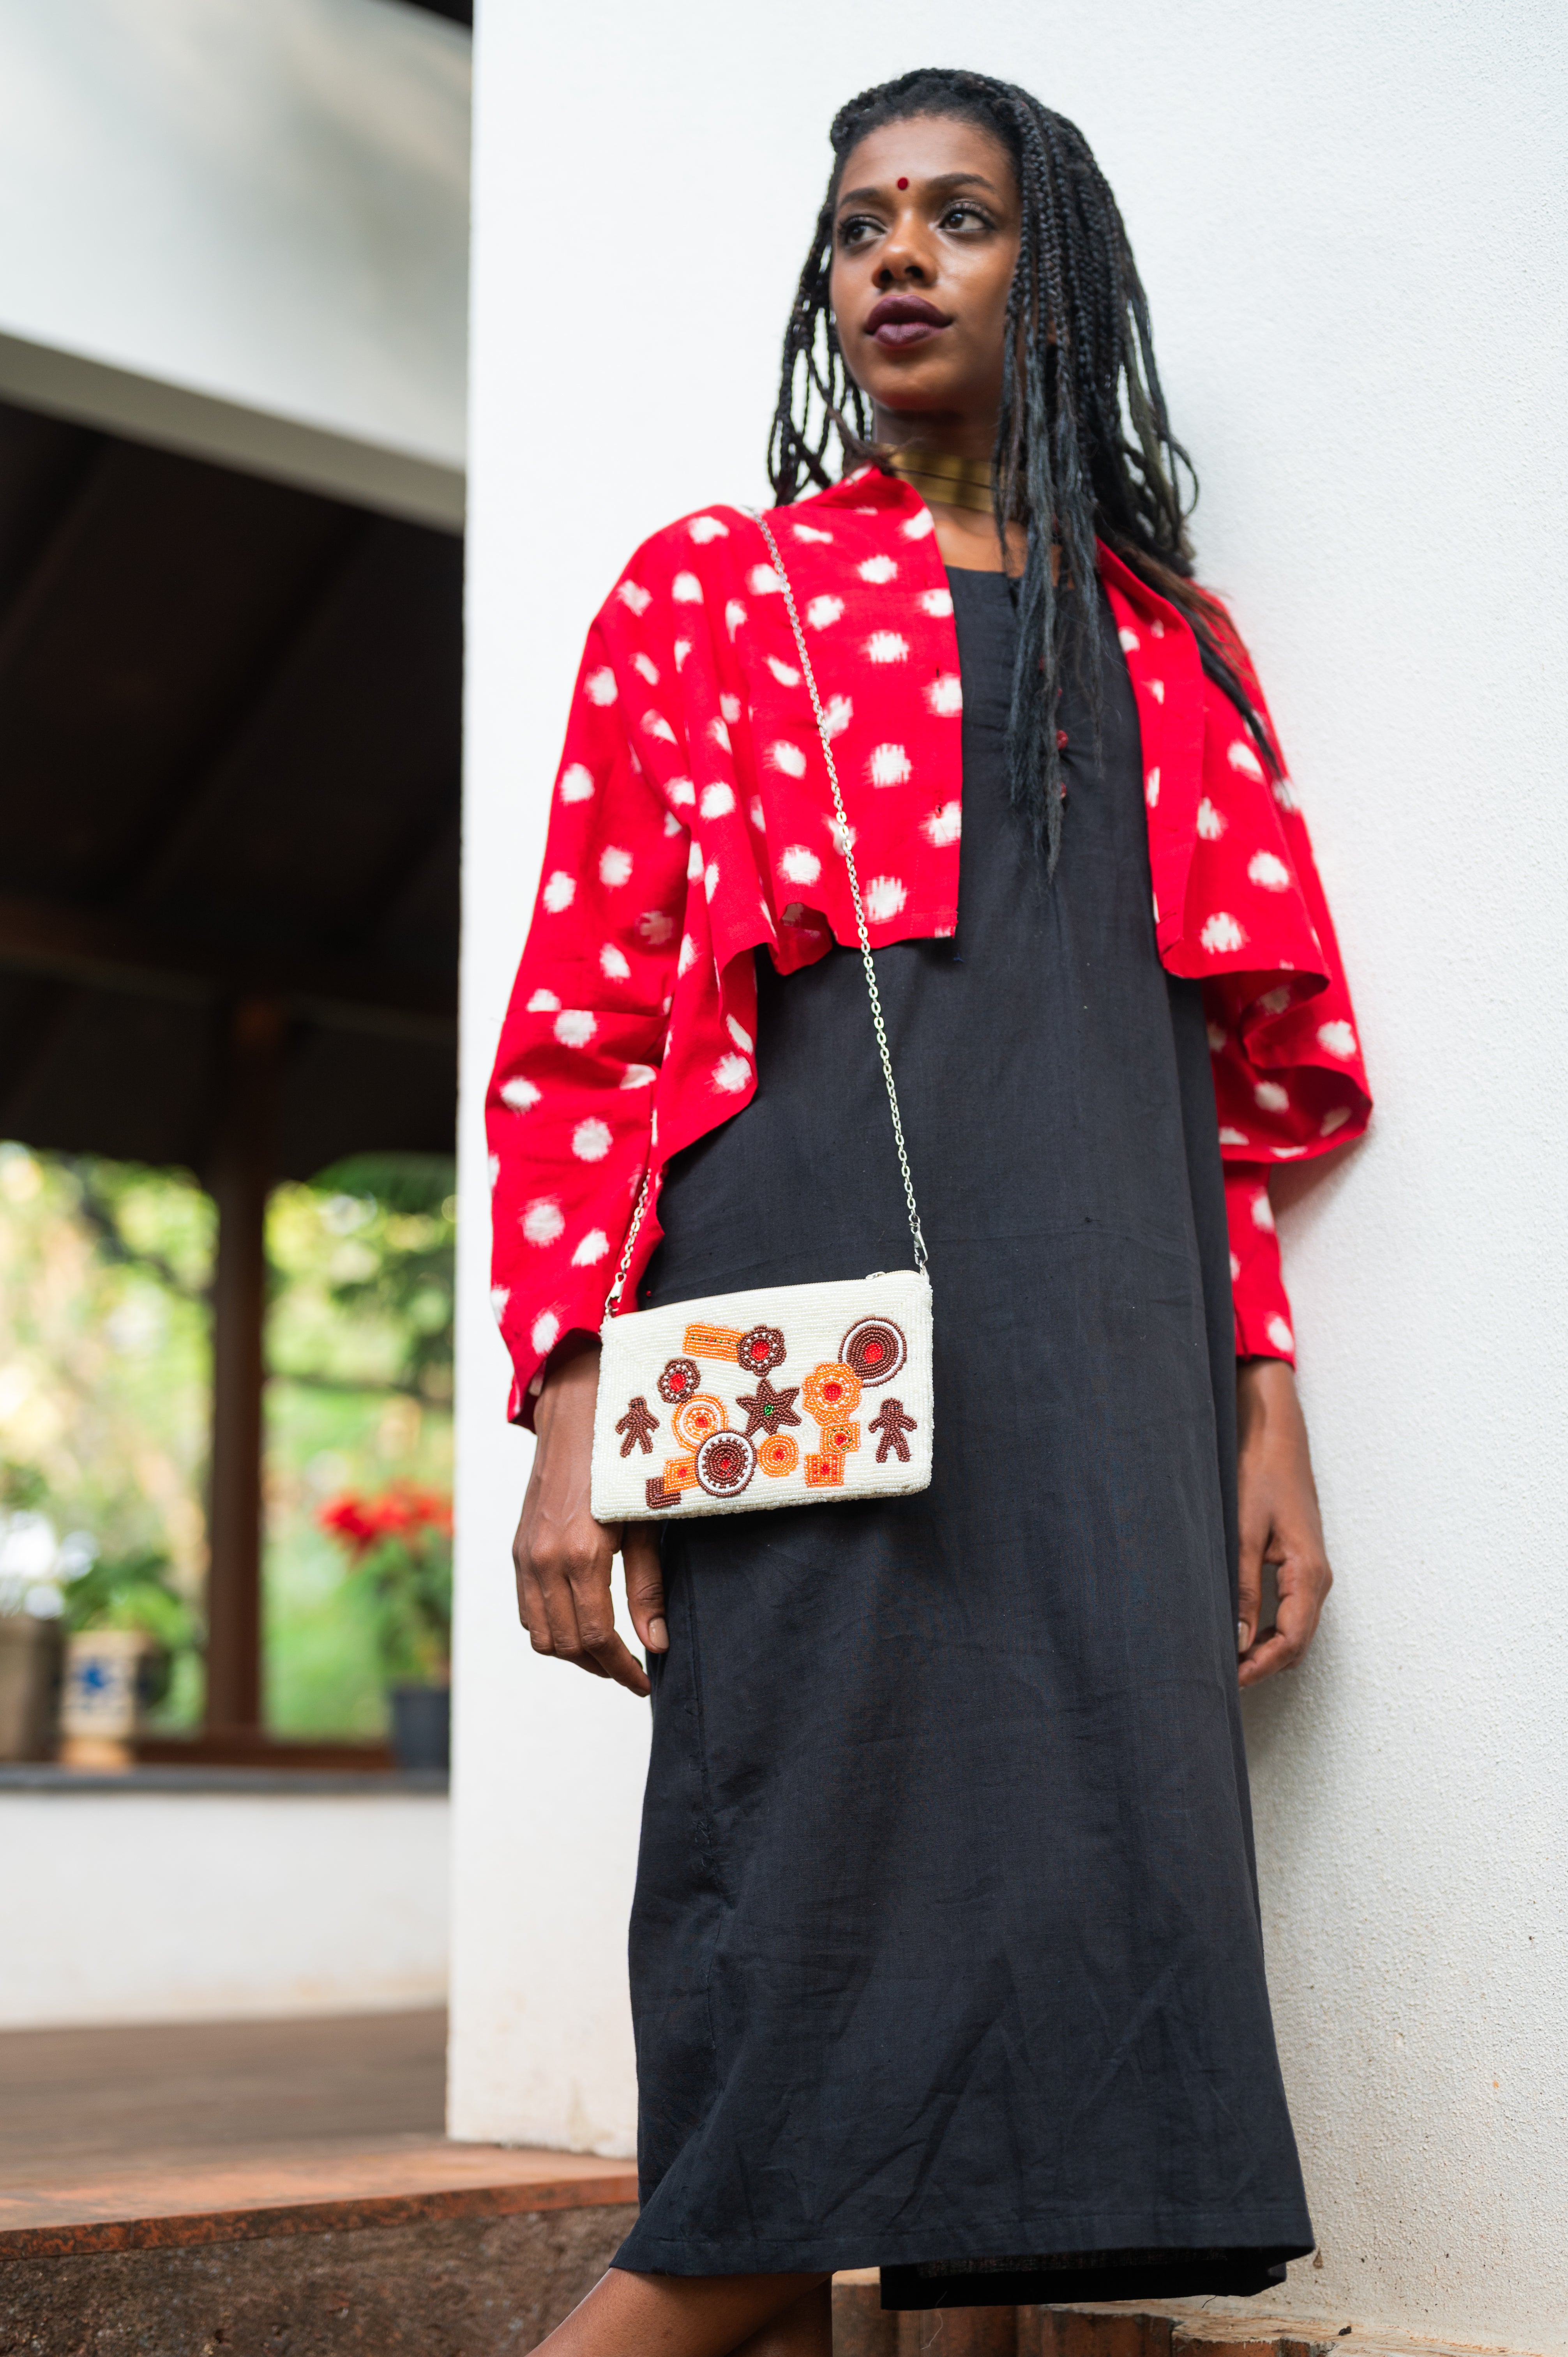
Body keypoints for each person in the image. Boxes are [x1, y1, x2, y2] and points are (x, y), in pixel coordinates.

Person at [487, 67, 1371, 2357]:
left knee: (1043, 2091)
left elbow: (1208, 1099)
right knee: (806, 2026)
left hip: (1101, 1387)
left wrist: (1257, 1419)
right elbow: (581, 1034)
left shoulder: (1167, 649)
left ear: (1045, 278)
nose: (895, 253)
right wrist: (571, 1413)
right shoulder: (723, 594)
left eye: (958, 217)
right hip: (805, 1381)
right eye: (863, 220)